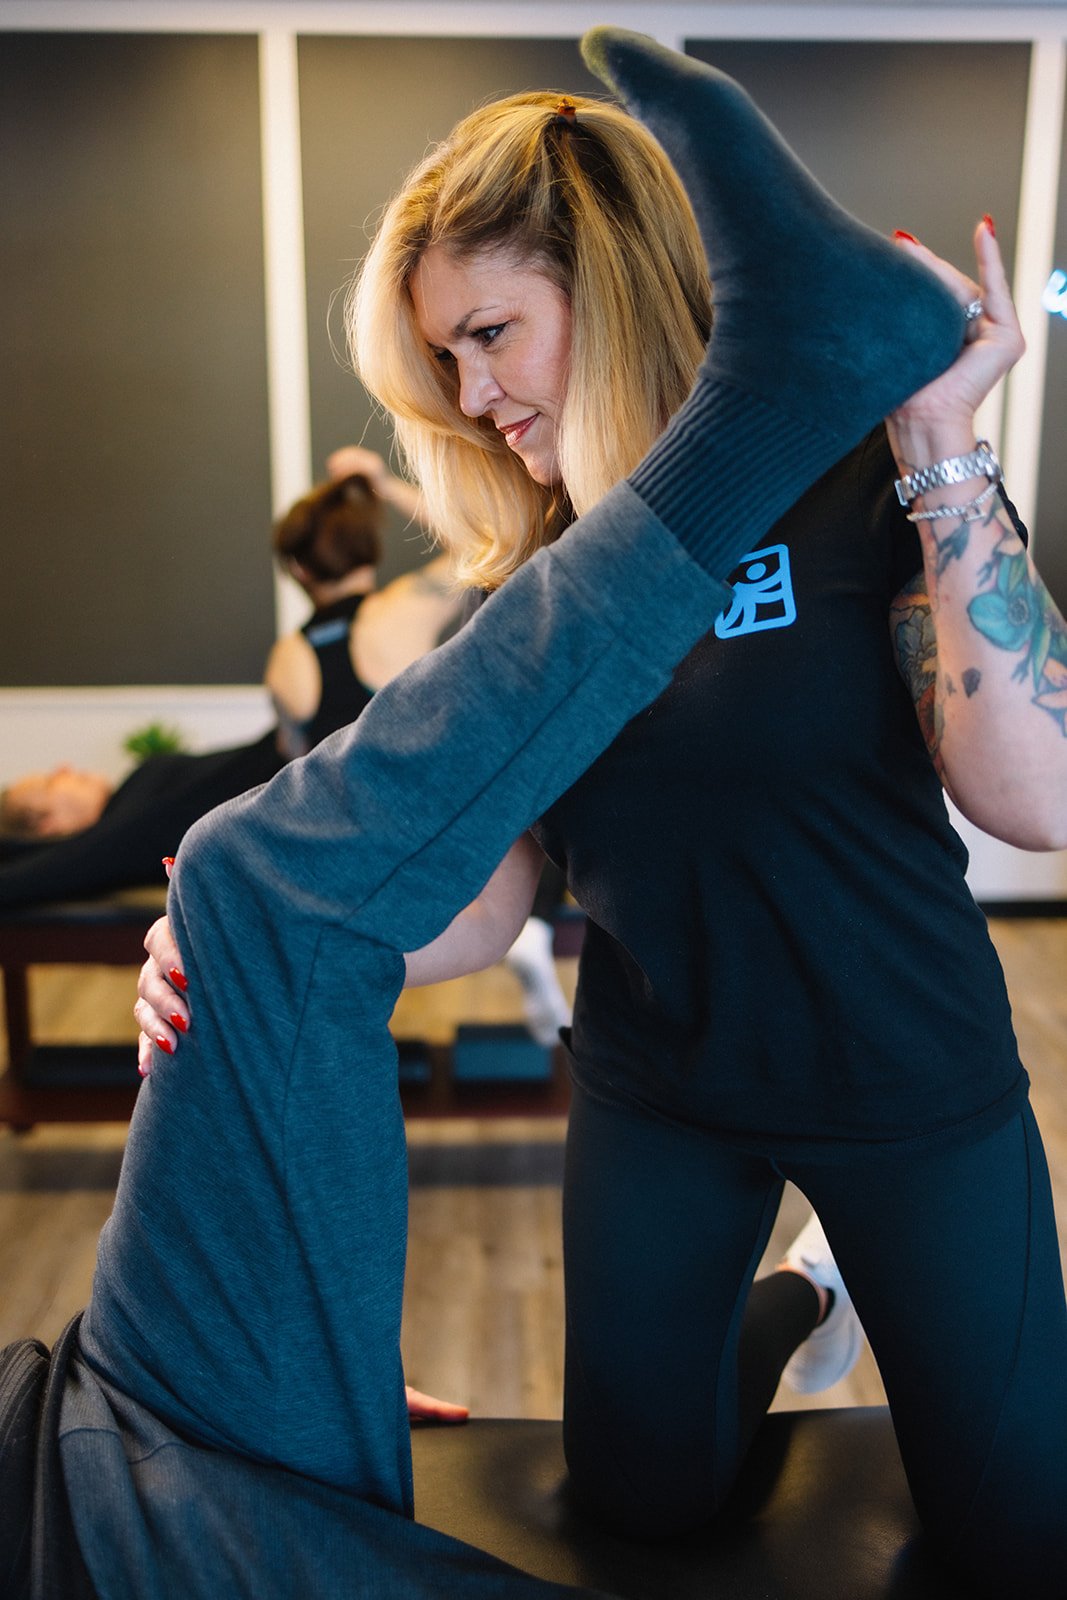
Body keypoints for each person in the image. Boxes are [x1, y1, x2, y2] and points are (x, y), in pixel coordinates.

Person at [4, 28, 975, 1597]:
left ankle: (762, 388)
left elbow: (1030, 796)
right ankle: (805, 1296)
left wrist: (938, 461)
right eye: (441, 362)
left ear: (608, 282)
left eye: (487, 336)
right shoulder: (516, 583)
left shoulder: (863, 489)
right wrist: (271, 976)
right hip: (664, 1089)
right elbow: (485, 891)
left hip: (902, 1069)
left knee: (236, 873)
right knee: (243, 891)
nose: (468, 396)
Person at [0, 454, 461, 913]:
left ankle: (35, 857)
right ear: (369, 551)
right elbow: (476, 542)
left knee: (140, 814)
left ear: (298, 571)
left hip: (289, 807)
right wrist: (383, 484)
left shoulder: (290, 658)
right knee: (149, 797)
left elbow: (294, 760)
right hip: (384, 821)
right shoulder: (409, 609)